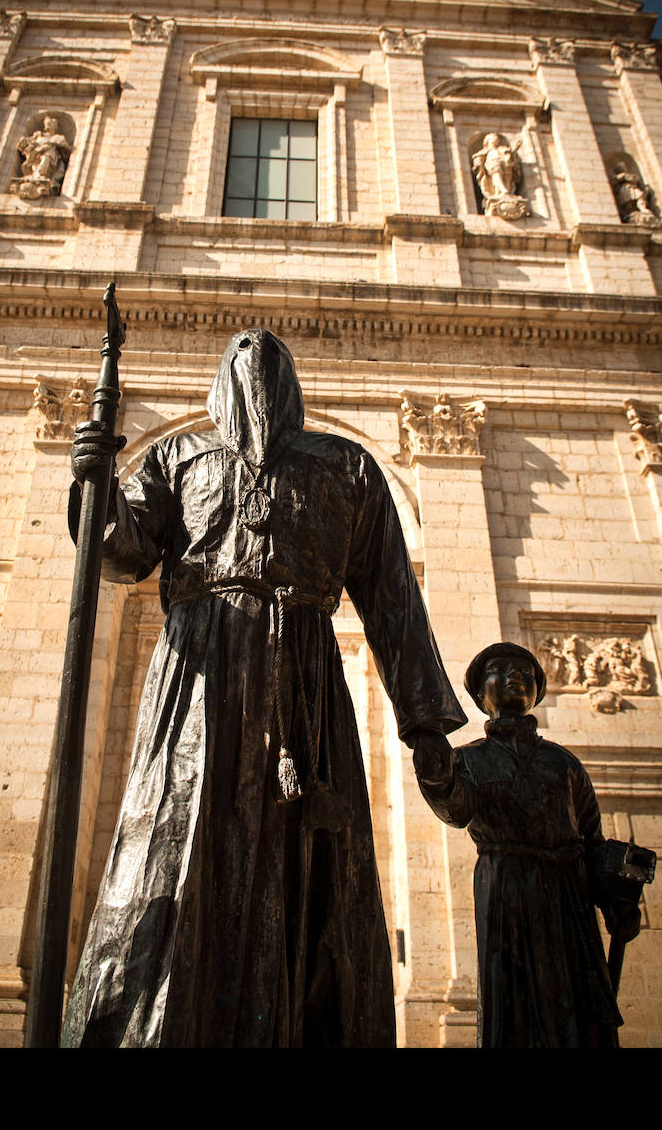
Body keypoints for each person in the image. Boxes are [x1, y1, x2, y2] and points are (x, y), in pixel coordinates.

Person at [61, 328, 466, 1047]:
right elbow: (123, 553)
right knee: (172, 837)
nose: (255, 363)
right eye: (240, 355)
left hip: (302, 676)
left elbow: (390, 595)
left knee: (304, 859)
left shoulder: (345, 463)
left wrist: (423, 721)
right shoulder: (178, 454)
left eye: (270, 360)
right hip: (197, 669)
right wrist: (92, 482)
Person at [415, 642, 638, 1048]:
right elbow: (455, 809)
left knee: (576, 1002)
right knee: (512, 998)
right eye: (499, 670)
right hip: (506, 888)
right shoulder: (468, 759)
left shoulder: (564, 763)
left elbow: (591, 839)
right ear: (481, 695)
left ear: (537, 691)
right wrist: (435, 776)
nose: (516, 675)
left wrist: (616, 898)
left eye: (526, 672)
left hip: (566, 893)